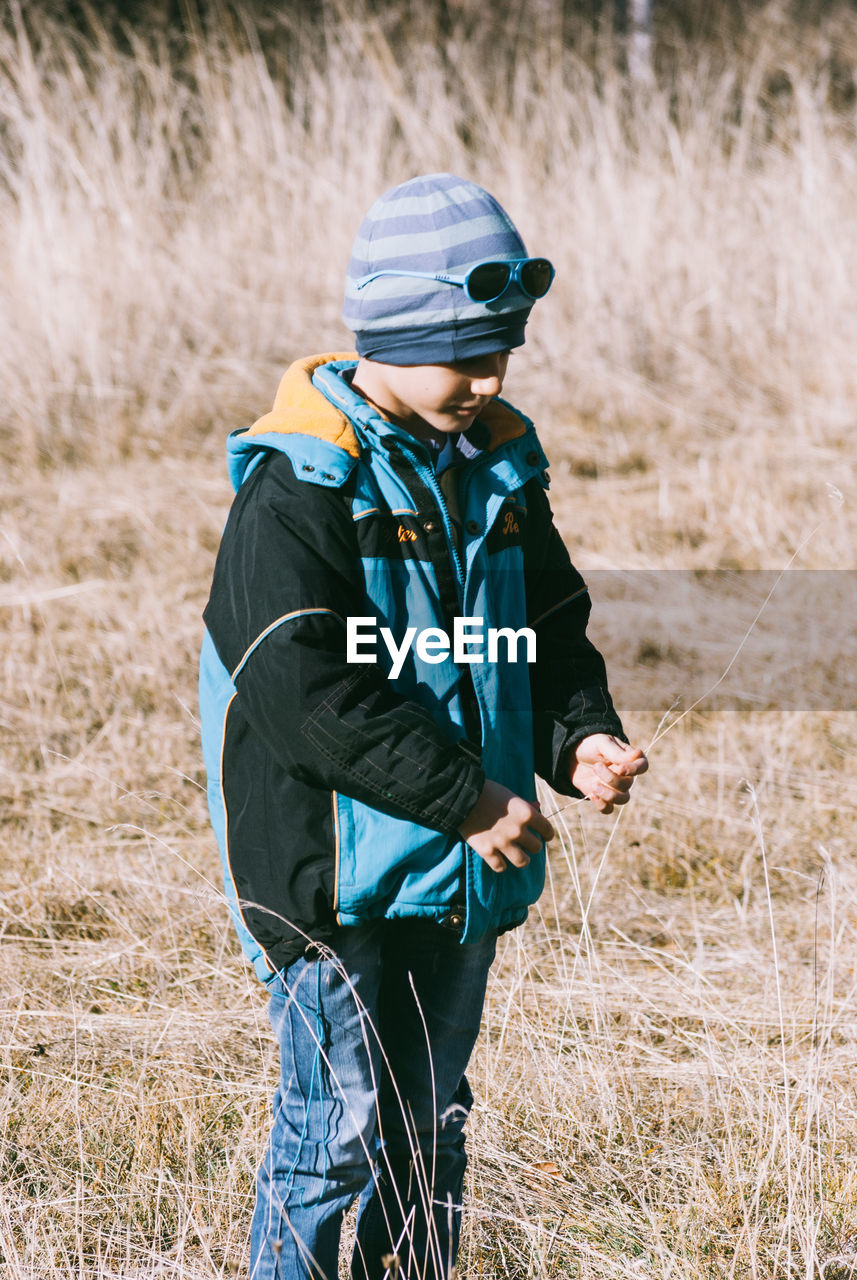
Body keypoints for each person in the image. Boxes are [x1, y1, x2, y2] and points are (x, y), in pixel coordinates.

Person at [199, 172, 647, 1280]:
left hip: (454, 870)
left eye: (503, 353)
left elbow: (543, 631)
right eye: (464, 354)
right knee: (335, 1125)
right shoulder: (300, 486)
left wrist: (577, 736)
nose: (488, 378)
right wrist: (469, 799)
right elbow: (304, 696)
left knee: (428, 1118)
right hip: (328, 871)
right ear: (387, 334)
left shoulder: (494, 465)